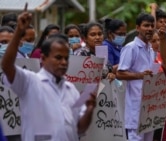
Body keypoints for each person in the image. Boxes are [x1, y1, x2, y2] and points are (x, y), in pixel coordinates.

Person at [1, 9, 96, 141]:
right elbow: (6, 66)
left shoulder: (71, 90)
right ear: (43, 58)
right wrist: (18, 32)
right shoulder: (30, 82)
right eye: (58, 58)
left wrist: (90, 109)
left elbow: (80, 128)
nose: (63, 62)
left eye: (66, 58)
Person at [116, 13, 155, 141]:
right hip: (135, 106)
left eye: (151, 25)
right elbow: (120, 73)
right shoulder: (131, 48)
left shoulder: (151, 50)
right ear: (138, 28)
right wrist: (140, 75)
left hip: (149, 106)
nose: (149, 28)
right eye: (146, 25)